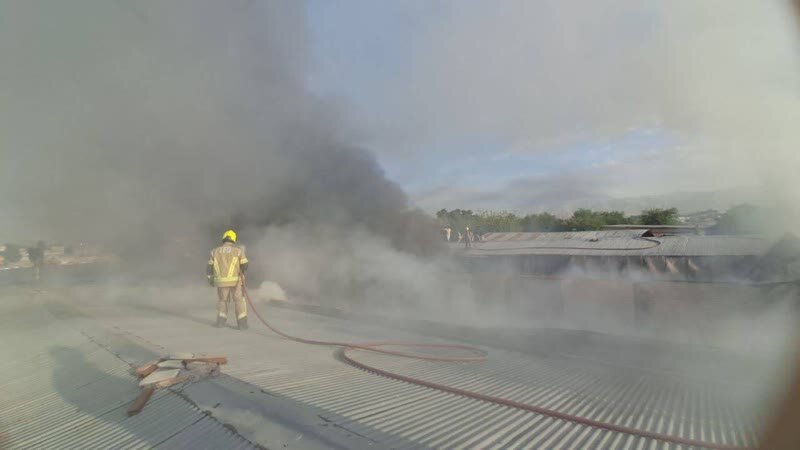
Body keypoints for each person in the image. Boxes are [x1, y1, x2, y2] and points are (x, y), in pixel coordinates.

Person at [206, 229, 249, 330]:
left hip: (220, 281)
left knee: (222, 301)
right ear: (233, 239)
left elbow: (209, 268)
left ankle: (220, 322)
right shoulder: (238, 251)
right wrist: (241, 273)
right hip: (236, 281)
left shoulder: (214, 251)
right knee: (239, 301)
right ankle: (242, 324)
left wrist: (211, 279)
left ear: (224, 238)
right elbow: (245, 265)